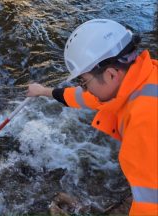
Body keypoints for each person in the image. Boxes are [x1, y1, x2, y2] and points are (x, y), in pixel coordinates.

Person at [27, 19, 158, 215]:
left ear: (111, 74)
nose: (83, 87)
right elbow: (87, 97)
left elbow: (150, 206)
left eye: (84, 81)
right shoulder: (143, 78)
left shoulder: (143, 124)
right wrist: (44, 91)